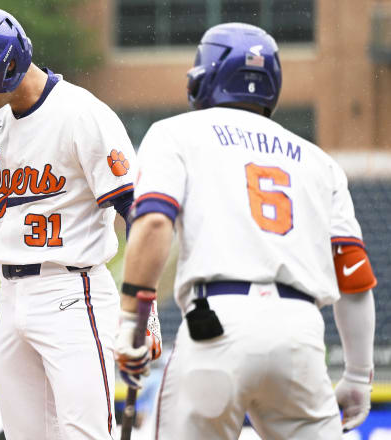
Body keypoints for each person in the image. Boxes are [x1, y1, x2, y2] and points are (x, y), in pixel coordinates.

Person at [115, 22, 377, 439]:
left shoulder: (175, 132)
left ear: (206, 75)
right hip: (300, 332)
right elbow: (353, 277)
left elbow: (153, 223)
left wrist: (132, 320)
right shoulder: (319, 161)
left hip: (216, 324)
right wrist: (360, 375)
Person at [0, 7, 160, 439]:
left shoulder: (81, 114)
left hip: (73, 292)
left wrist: (143, 314)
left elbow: (137, 213)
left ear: (8, 67)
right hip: (10, 295)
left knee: (84, 433)